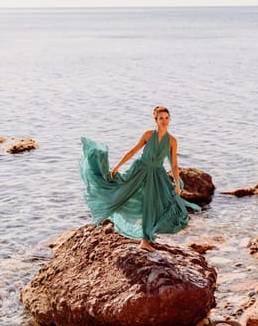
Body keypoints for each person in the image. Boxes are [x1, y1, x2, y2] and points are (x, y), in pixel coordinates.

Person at [79, 106, 200, 252]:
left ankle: (145, 240)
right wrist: (117, 166)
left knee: (155, 205)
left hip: (157, 175)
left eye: (167, 118)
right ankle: (141, 237)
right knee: (122, 193)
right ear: (155, 120)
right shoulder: (148, 135)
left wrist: (177, 183)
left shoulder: (172, 141)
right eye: (161, 118)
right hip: (140, 170)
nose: (164, 121)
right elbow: (133, 151)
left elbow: (174, 164)